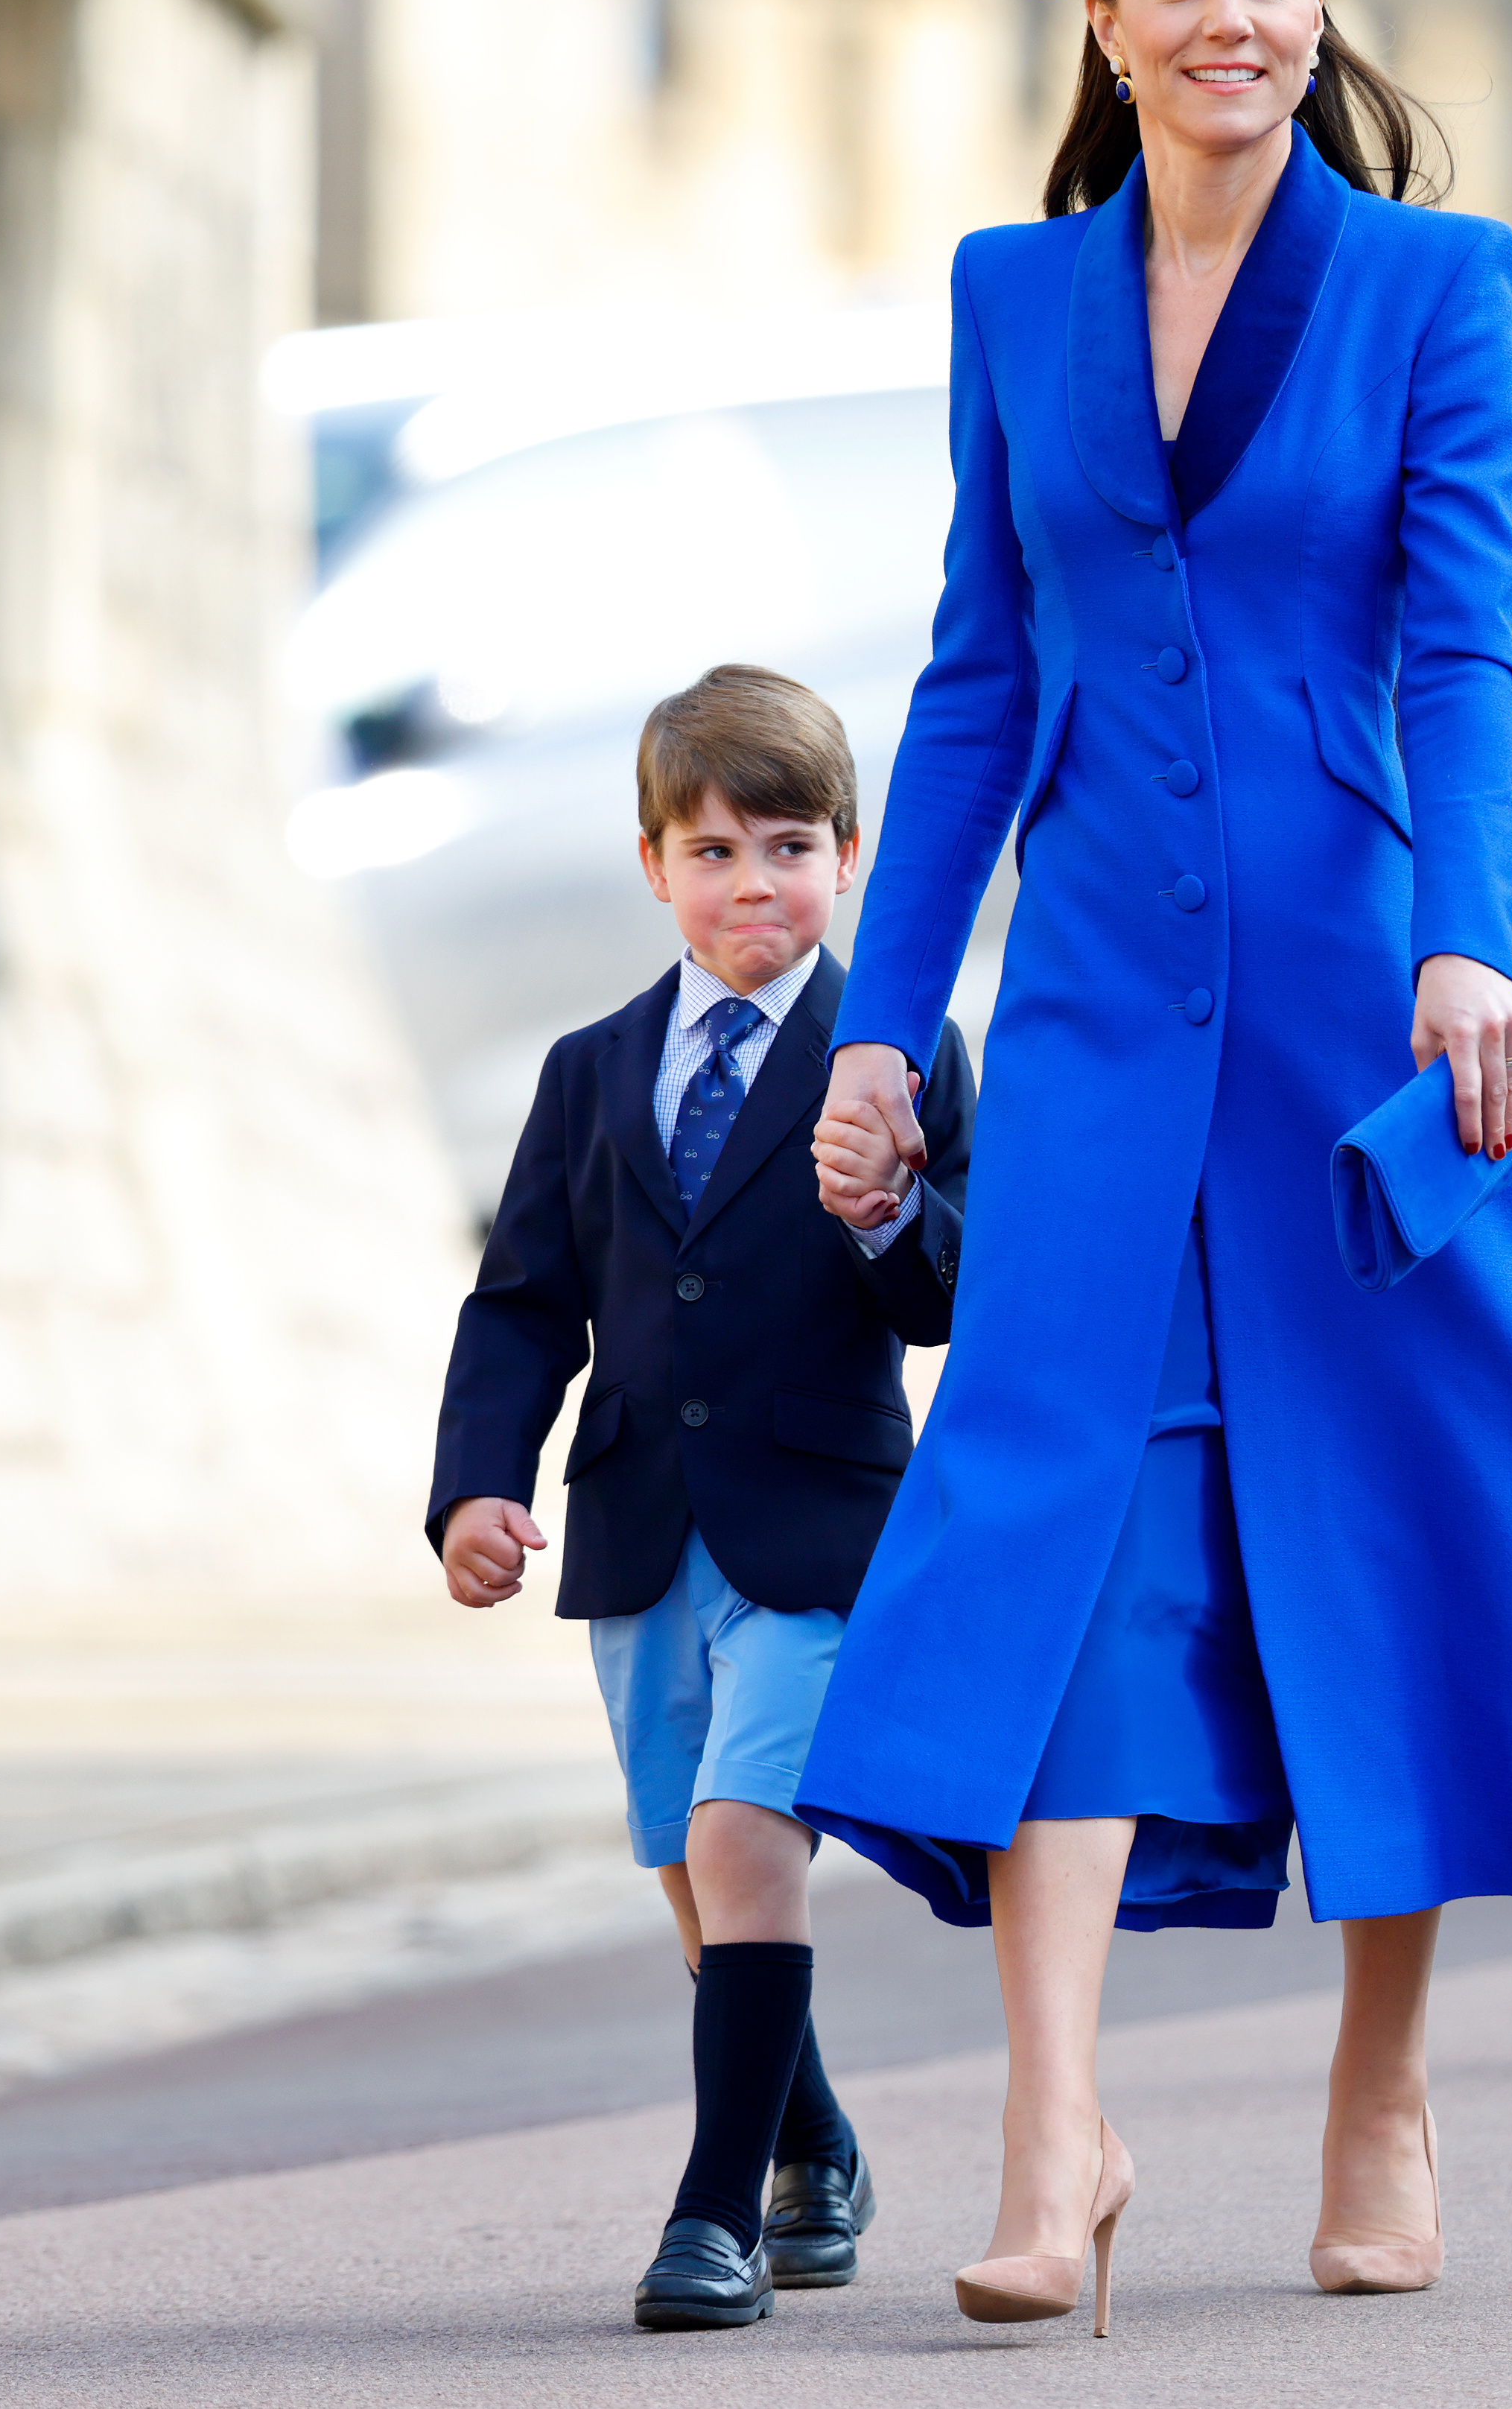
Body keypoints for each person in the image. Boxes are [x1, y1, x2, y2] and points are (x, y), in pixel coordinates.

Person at [797, 0, 1512, 2335]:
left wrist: (1470, 932)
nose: (1235, 19)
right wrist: (892, 1025)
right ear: (1102, 21)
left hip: (1369, 1010)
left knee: (1398, 1517)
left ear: (1325, 4)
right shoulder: (1014, 296)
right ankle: (1052, 2133)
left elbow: (1460, 643)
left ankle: (1383, 2084)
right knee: (1061, 1528)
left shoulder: (1444, 293)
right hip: (1097, 1011)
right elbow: (984, 676)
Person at [427, 664, 975, 2329]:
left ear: (854, 853)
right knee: (689, 1868)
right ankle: (812, 2141)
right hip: (635, 1526)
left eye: (791, 845)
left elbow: (961, 1290)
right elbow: (522, 1299)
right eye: (716, 848)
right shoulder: (591, 1070)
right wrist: (473, 1487)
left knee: (749, 1842)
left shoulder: (899, 1051)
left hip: (815, 1525)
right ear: (654, 863)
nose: (755, 884)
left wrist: (887, 1211)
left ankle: (712, 2213)